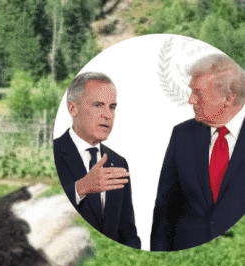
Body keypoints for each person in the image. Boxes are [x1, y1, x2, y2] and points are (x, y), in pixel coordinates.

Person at [150, 54, 245, 251]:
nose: (191, 100)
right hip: (187, 255)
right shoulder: (182, 135)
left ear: (228, 98)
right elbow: (165, 209)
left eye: (198, 93)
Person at [54, 72, 141, 249]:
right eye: (98, 105)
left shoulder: (118, 162)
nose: (107, 115)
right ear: (73, 109)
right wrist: (82, 188)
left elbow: (127, 231)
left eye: (112, 107)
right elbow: (40, 215)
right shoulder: (53, 153)